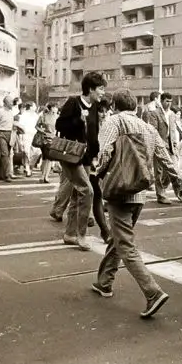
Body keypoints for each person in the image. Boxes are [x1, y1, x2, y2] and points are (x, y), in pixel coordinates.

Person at [92, 89, 182, 318]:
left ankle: (152, 292)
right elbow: (164, 157)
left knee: (125, 244)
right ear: (135, 107)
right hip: (140, 194)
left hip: (119, 192)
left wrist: (98, 174)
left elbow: (105, 152)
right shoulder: (148, 127)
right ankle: (104, 282)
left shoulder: (113, 122)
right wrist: (178, 181)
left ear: (115, 105)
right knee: (119, 237)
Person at [54, 72, 106, 250]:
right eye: (100, 89)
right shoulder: (73, 103)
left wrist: (94, 156)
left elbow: (94, 134)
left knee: (77, 195)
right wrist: (78, 120)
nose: (103, 92)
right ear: (90, 89)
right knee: (87, 191)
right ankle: (81, 235)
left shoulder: (94, 107)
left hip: (85, 157)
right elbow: (59, 125)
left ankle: (70, 234)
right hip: (71, 156)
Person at [142, 92, 182, 205]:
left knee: (172, 170)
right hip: (159, 145)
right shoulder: (154, 114)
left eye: (170, 101)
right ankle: (160, 195)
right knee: (159, 172)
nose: (169, 104)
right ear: (161, 101)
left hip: (170, 146)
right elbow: (153, 131)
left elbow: (173, 130)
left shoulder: (172, 115)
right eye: (166, 101)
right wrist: (158, 145)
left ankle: (164, 189)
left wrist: (175, 143)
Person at [88, 98, 113, 243]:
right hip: (92, 164)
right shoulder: (91, 125)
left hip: (105, 165)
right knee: (96, 194)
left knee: (96, 195)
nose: (103, 114)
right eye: (100, 111)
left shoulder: (110, 125)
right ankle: (105, 230)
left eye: (106, 111)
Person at [0, 96, 16, 182]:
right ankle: (7, 174)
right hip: (1, 133)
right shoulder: (0, 112)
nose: (12, 104)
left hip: (9, 133)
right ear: (5, 103)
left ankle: (0, 175)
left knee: (6, 154)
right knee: (5, 154)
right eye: (10, 102)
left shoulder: (11, 112)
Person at [36, 102, 59, 183]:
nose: (56, 109)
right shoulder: (43, 116)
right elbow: (37, 126)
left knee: (49, 158)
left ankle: (45, 176)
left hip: (53, 139)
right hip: (44, 139)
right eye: (55, 107)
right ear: (51, 108)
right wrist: (42, 130)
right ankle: (43, 176)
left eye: (56, 107)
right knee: (45, 158)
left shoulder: (57, 117)